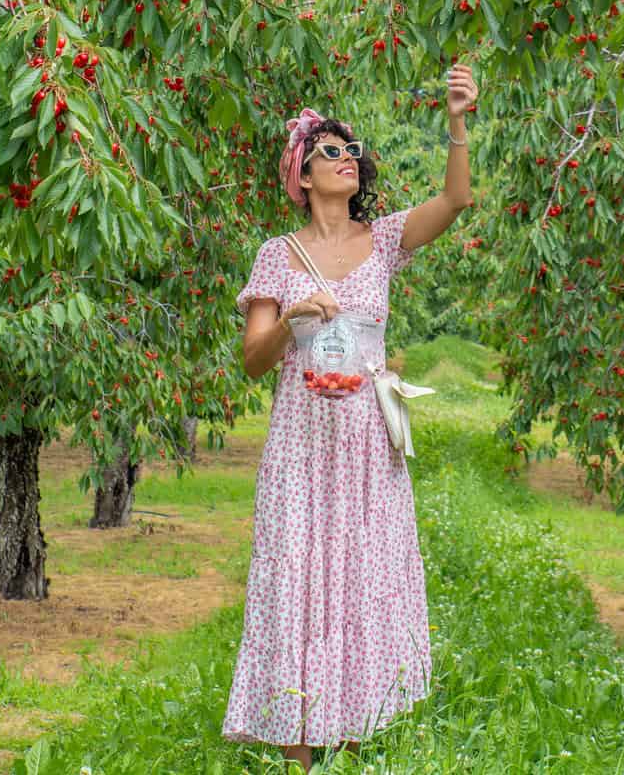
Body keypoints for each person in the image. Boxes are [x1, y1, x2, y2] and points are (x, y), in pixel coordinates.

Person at [221, 62, 478, 771]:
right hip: (302, 442)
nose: (348, 160)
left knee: (358, 579)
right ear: (302, 174)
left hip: (366, 441)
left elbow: (456, 199)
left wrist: (457, 121)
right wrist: (291, 321)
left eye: (352, 152)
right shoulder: (278, 256)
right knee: (299, 580)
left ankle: (351, 741)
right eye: (331, 151)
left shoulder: (385, 240)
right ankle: (299, 754)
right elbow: (251, 359)